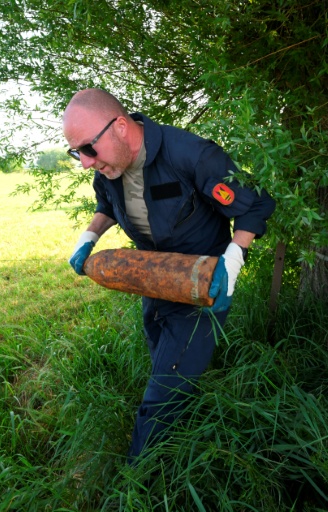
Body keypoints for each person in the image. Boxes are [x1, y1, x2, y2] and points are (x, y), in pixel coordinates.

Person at [63, 89, 276, 462]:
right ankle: (186, 423)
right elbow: (107, 205)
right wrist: (88, 238)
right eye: (76, 152)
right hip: (153, 277)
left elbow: (254, 204)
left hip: (201, 283)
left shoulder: (191, 155)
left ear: (122, 128)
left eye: (88, 149)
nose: (84, 162)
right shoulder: (109, 166)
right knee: (161, 352)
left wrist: (232, 263)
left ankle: (140, 476)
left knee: (164, 386)